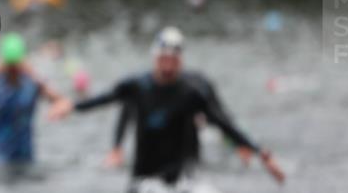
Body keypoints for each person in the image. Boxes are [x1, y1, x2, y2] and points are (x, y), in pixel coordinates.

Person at [56, 27, 284, 193]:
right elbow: (106, 99)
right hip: (144, 171)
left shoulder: (192, 93)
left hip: (178, 173)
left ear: (180, 61)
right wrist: (73, 106)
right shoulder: (137, 85)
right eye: (163, 60)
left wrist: (261, 153)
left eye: (173, 61)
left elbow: (224, 123)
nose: (167, 67)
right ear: (154, 59)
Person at [0, 33, 72, 181]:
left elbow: (61, 101)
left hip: (24, 157)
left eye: (16, 66)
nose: (13, 70)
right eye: (9, 66)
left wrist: (33, 73)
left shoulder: (31, 84)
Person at [107, 69, 256, 168]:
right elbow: (127, 110)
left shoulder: (196, 88)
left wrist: (239, 145)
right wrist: (116, 148)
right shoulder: (145, 86)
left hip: (190, 146)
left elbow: (221, 117)